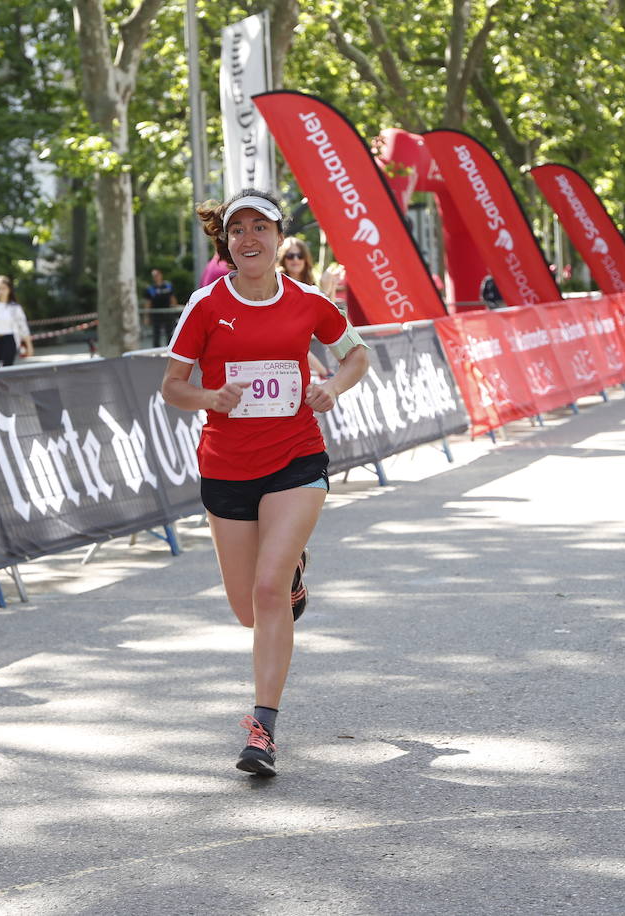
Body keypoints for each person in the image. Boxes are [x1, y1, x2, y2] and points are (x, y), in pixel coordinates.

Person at [161, 189, 370, 777]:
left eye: (261, 227)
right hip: (227, 467)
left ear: (280, 239)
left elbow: (357, 355)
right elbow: (172, 387)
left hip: (296, 459)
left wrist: (334, 387)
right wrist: (209, 396)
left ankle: (263, 727)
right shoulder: (204, 306)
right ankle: (294, 572)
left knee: (269, 590)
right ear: (226, 241)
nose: (249, 238)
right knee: (248, 609)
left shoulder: (309, 301)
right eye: (238, 229)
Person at [277, 238, 329, 379]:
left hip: (317, 356)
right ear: (283, 259)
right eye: (290, 256)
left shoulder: (311, 285)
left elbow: (327, 322)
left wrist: (331, 286)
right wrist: (324, 371)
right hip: (290, 365)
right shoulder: (276, 288)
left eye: (300, 255)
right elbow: (291, 339)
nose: (295, 260)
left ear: (305, 259)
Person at [0, 275, 32, 367]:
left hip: (9, 339)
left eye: (4, 288)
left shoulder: (15, 307)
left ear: (9, 289)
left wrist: (29, 345)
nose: (1, 291)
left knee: (5, 366)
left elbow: (23, 327)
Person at [143, 268, 180, 348]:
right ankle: (156, 350)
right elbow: (148, 303)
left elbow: (172, 298)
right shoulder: (150, 289)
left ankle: (170, 349)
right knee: (156, 334)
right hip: (156, 314)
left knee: (169, 333)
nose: (156, 277)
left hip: (168, 313)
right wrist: (146, 316)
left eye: (157, 275)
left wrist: (175, 308)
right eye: (154, 276)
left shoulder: (168, 286)